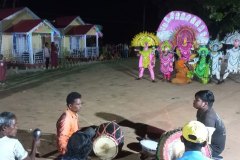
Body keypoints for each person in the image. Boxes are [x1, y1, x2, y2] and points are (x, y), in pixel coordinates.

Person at [193, 90, 226, 159]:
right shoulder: (200, 110)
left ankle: (213, 157)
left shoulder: (209, 118)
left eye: (197, 100)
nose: (194, 101)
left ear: (205, 104)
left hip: (214, 148)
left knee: (188, 150)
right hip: (208, 140)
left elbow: (206, 142)